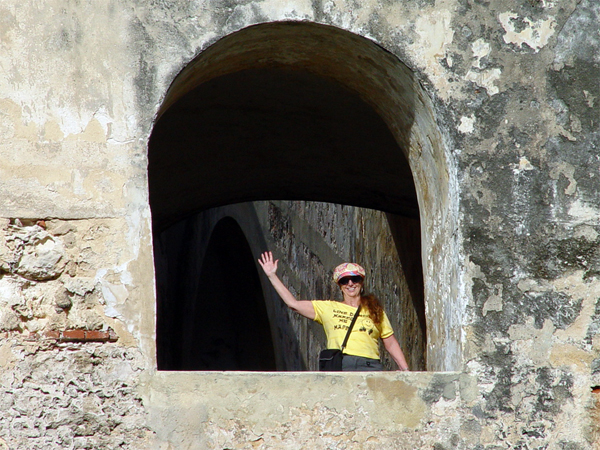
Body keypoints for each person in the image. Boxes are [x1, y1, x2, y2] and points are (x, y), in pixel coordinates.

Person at [258, 251, 410, 372]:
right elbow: (293, 303)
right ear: (340, 285)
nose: (350, 284)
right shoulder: (328, 308)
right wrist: (272, 276)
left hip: (370, 364)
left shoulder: (375, 309)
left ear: (361, 282)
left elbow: (390, 343)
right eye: (345, 280)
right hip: (343, 364)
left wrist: (405, 370)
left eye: (354, 279)